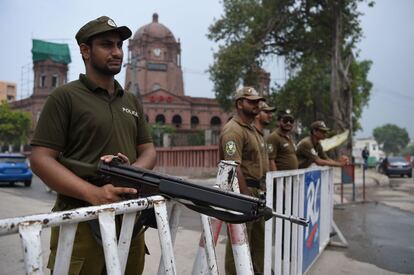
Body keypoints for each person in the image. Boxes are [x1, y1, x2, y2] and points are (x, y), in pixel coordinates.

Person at [30, 16, 156, 275]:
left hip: (128, 219)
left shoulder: (131, 101)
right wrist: (93, 193)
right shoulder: (65, 97)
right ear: (85, 50)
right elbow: (41, 159)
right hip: (81, 219)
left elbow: (148, 149)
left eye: (120, 45)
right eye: (107, 45)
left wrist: (131, 171)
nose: (117, 52)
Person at [219, 86, 265, 274]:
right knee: (239, 240)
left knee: (256, 240)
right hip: (243, 191)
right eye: (251, 101)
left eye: (257, 101)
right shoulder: (233, 130)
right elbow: (233, 167)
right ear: (239, 104)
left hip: (256, 191)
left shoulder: (251, 129)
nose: (257, 105)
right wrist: (246, 197)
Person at [254, 101, 276, 174]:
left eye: (270, 113)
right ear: (257, 114)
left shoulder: (263, 135)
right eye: (266, 112)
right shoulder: (250, 134)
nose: (270, 115)